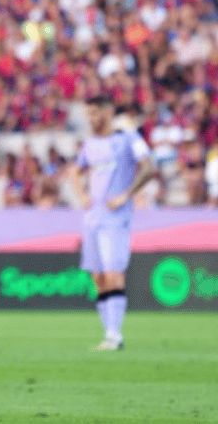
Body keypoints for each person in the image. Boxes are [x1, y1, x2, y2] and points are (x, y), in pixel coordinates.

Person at [71, 96, 154, 351]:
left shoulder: (128, 139)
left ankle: (114, 335)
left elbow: (149, 167)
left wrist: (126, 195)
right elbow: (75, 171)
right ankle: (109, 334)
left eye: (95, 113)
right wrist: (82, 194)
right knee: (98, 276)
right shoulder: (90, 145)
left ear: (108, 113)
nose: (91, 119)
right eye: (88, 114)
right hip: (92, 218)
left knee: (113, 273)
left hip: (116, 219)